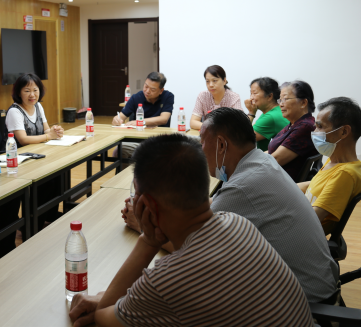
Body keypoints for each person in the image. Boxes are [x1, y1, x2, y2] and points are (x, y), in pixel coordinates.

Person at [71, 134, 313, 327]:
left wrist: (148, 240)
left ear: (147, 205)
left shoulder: (166, 282)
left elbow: (103, 316)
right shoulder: (238, 223)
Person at [122, 107, 339, 303]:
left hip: (303, 298)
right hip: (318, 281)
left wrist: (145, 227)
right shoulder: (262, 162)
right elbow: (213, 206)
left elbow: (194, 249)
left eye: (202, 141)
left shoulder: (243, 186)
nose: (200, 150)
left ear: (221, 144)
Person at [2, 74, 64, 243]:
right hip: (19, 160)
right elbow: (23, 140)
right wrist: (49, 136)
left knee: (58, 175)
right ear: (18, 93)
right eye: (27, 90)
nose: (32, 95)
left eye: (35, 90)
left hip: (37, 155)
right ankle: (32, 223)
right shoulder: (15, 111)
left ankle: (45, 215)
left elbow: (46, 130)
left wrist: (54, 131)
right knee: (46, 182)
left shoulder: (38, 106)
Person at [298, 97, 361, 235]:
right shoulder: (334, 162)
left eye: (320, 126)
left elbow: (312, 219)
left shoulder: (345, 174)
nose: (315, 131)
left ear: (344, 132)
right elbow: (313, 185)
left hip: (302, 236)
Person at [111, 72, 174, 159]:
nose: (147, 91)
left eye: (152, 89)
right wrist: (116, 119)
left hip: (159, 140)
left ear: (161, 91)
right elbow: (121, 116)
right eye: (146, 86)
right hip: (137, 139)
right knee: (119, 151)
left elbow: (164, 119)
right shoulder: (136, 97)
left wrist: (140, 122)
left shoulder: (168, 96)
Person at [269, 80, 319, 182]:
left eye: (285, 99)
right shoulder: (294, 124)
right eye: (280, 100)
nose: (281, 104)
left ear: (303, 103)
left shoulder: (305, 127)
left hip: (282, 184)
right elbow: (272, 151)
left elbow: (275, 160)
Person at [190, 65, 243, 130]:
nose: (211, 85)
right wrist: (212, 127)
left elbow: (239, 123)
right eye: (207, 81)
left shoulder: (234, 97)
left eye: (214, 80)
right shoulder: (203, 96)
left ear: (224, 81)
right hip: (209, 134)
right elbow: (193, 122)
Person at [244, 77, 290, 151]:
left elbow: (241, 139)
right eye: (251, 93)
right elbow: (250, 129)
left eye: (254, 93)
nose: (251, 98)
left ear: (269, 96)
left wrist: (251, 113)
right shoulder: (275, 111)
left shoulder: (271, 117)